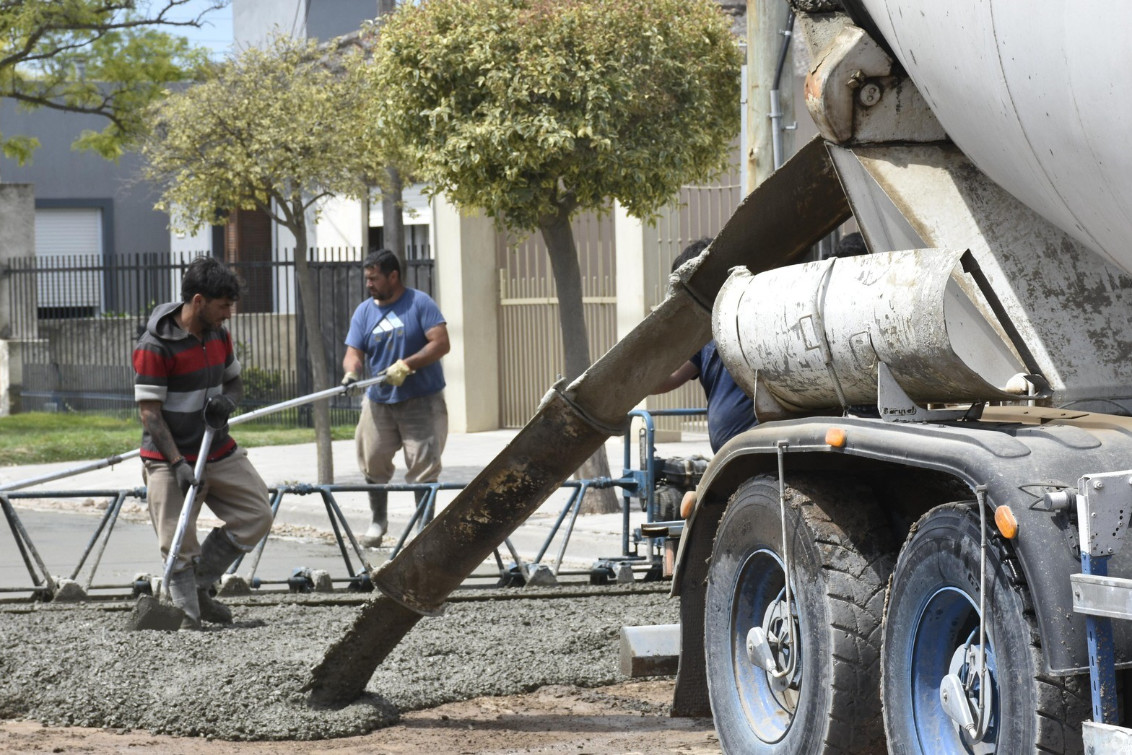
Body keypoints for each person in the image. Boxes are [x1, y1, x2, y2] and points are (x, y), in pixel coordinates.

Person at [133, 256, 272, 630]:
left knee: (258, 514)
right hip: (169, 455)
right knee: (177, 542)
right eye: (223, 305)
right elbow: (150, 414)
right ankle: (188, 616)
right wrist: (177, 464)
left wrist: (229, 401)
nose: (228, 313)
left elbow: (235, 383)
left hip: (216, 447)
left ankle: (198, 586)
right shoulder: (155, 346)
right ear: (198, 301)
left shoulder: (218, 335)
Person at [342, 249, 450, 548]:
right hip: (379, 401)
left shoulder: (419, 303)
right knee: (372, 459)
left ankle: (423, 529)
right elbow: (354, 351)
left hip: (421, 399)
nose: (369, 284)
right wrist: (351, 373)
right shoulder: (364, 311)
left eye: (374, 278)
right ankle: (378, 521)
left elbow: (441, 343)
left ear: (393, 276)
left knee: (423, 466)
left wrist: (407, 365)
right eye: (367, 279)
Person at [654, 238, 758, 454]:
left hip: (758, 444)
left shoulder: (754, 316)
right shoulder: (702, 336)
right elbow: (669, 380)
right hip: (729, 456)